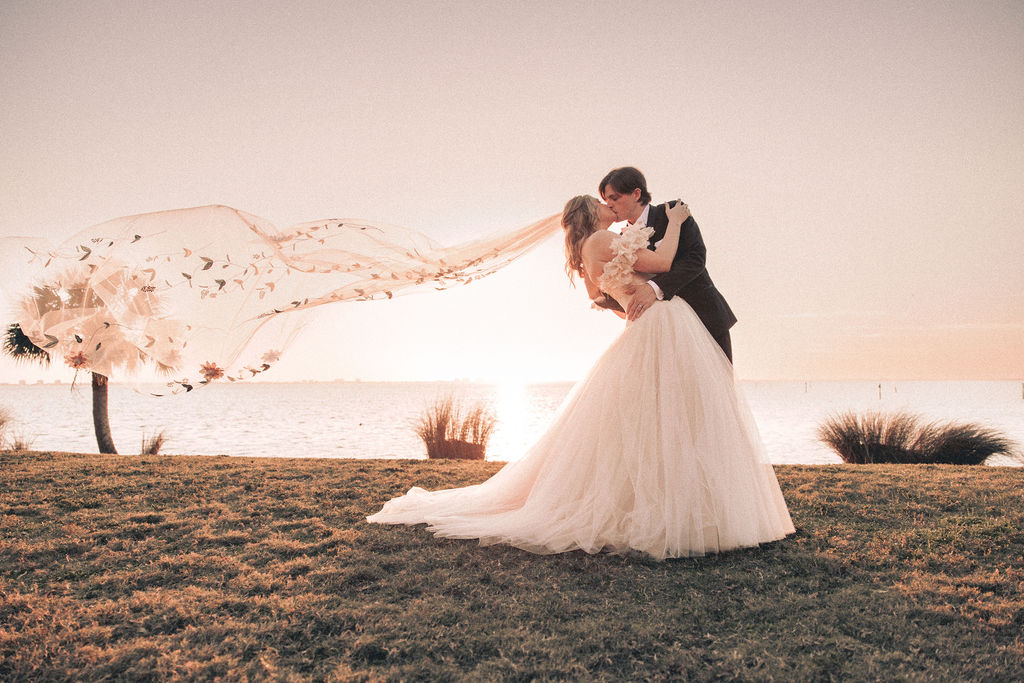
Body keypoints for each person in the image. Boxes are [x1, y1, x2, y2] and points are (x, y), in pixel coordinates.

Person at [366, 195, 794, 560]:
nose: (609, 206)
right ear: (591, 214)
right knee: (672, 415)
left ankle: (669, 503)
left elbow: (599, 295)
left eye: (612, 199)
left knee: (648, 420)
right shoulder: (603, 239)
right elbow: (663, 262)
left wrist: (627, 296)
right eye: (601, 202)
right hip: (661, 327)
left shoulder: (587, 251)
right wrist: (678, 222)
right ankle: (678, 508)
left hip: (644, 327)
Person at [598, 167, 736, 362]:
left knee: (716, 389)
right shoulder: (620, 241)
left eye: (615, 198)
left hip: (704, 317)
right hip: (661, 331)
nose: (609, 205)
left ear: (636, 193)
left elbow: (695, 259)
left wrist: (654, 288)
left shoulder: (672, 212)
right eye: (606, 201)